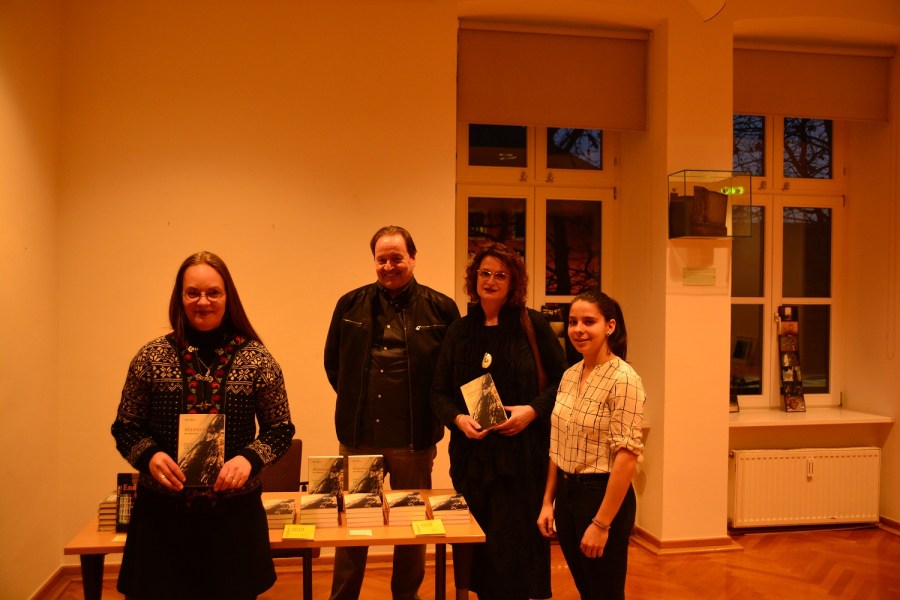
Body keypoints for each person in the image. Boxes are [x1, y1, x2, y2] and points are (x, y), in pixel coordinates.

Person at [111, 251, 296, 600]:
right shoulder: (150, 357)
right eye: (192, 293)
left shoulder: (258, 359)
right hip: (162, 520)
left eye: (213, 292)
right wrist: (149, 456)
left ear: (228, 297)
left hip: (233, 520)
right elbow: (126, 426)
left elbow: (281, 429)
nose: (203, 302)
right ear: (180, 298)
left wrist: (249, 459)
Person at [324, 225, 460, 600]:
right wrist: (357, 400)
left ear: (413, 258)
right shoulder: (349, 304)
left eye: (396, 258)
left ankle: (406, 595)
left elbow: (451, 369)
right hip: (358, 439)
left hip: (413, 440)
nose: (388, 266)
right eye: (381, 259)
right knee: (352, 523)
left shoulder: (441, 307)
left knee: (411, 525)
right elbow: (334, 365)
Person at [430, 242, 568, 600]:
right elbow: (438, 392)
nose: (490, 281)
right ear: (474, 278)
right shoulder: (459, 331)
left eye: (500, 275)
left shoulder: (533, 325)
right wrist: (458, 419)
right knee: (478, 551)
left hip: (521, 458)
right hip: (473, 460)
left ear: (513, 283)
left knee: (514, 553)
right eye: (485, 273)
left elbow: (563, 381)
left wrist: (532, 411)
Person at [537, 290, 646, 600]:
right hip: (567, 495)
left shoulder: (624, 379)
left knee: (605, 593)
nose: (578, 330)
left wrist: (601, 524)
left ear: (610, 326)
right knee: (587, 590)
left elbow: (627, 457)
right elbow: (558, 445)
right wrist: (548, 502)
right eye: (573, 322)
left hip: (601, 495)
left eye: (589, 321)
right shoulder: (570, 375)